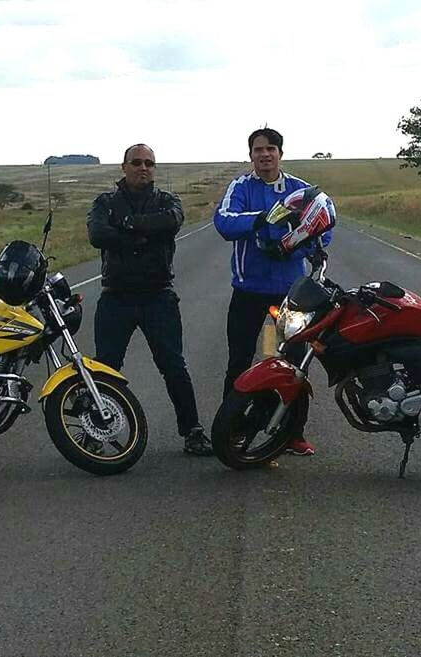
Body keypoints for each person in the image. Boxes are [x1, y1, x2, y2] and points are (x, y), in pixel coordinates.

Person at [87, 144, 213, 456]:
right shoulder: (105, 202)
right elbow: (97, 235)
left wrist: (127, 224)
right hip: (115, 296)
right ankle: (96, 434)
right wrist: (142, 234)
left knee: (173, 365)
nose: (144, 168)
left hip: (158, 296)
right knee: (105, 370)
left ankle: (193, 431)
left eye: (150, 163)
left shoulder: (167, 200)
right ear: (123, 166)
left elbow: (170, 222)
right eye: (137, 162)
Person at [213, 128, 333, 456]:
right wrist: (263, 219)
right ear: (250, 155)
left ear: (280, 153)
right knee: (239, 362)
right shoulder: (241, 187)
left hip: (290, 295)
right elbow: (224, 222)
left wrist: (292, 249)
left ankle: (293, 433)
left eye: (270, 149)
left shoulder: (300, 190)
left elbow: (321, 232)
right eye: (258, 150)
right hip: (248, 292)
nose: (264, 155)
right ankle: (232, 429)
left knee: (294, 365)